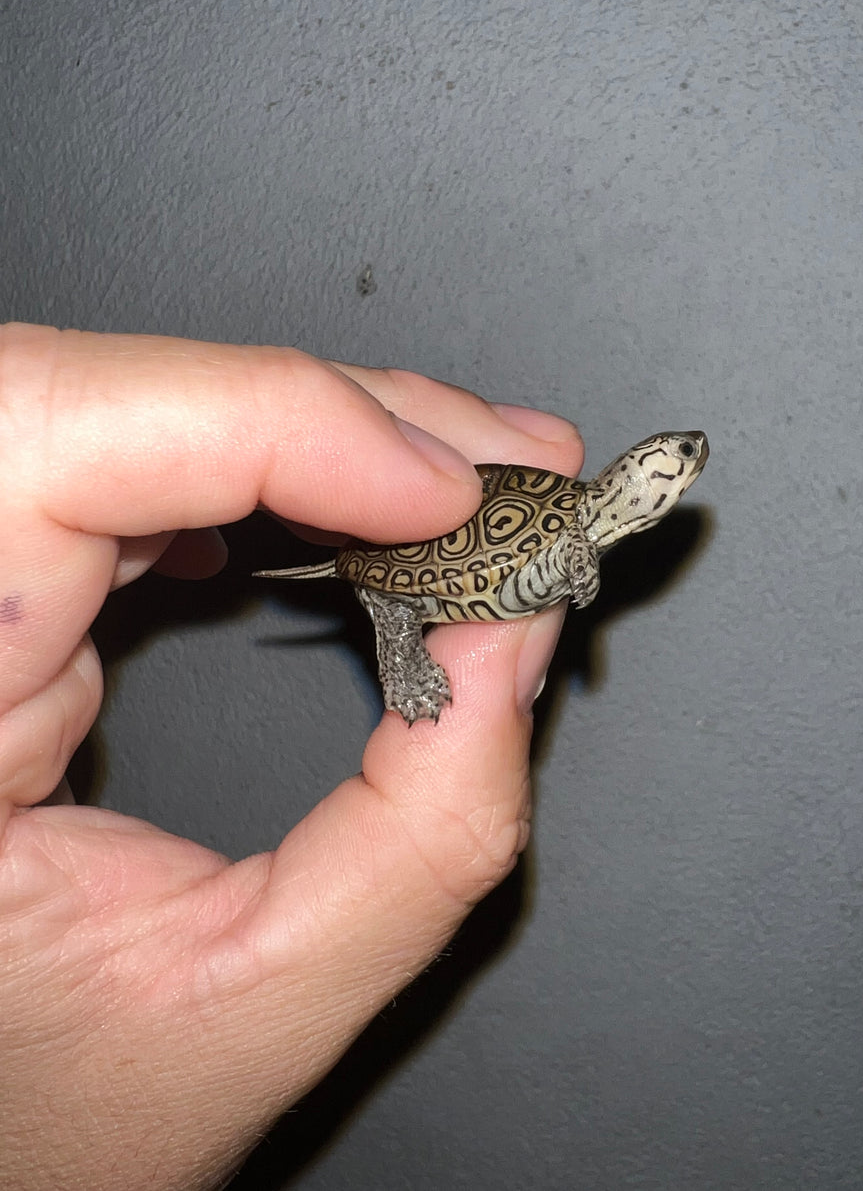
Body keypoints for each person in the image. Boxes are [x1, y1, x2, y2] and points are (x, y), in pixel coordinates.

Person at [0, 323, 583, 1191]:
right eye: (669, 466)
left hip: (482, 544)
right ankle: (405, 644)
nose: (677, 473)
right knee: (398, 605)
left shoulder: (576, 531)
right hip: (421, 573)